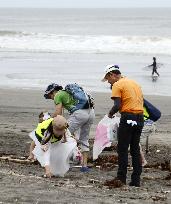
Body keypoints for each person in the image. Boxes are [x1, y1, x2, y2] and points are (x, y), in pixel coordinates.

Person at [102, 64, 144, 187]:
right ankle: (136, 180)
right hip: (140, 117)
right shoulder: (134, 83)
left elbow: (117, 105)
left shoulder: (117, 84)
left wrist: (110, 114)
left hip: (128, 117)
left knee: (123, 149)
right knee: (135, 149)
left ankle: (121, 178)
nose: (108, 82)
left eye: (107, 79)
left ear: (112, 75)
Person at [44, 83, 95, 172]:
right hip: (91, 113)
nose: (51, 98)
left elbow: (58, 113)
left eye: (50, 96)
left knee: (63, 135)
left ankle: (62, 161)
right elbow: (62, 116)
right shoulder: (67, 93)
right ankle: (84, 166)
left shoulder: (58, 95)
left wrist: (49, 122)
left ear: (52, 92)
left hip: (79, 114)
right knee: (84, 138)